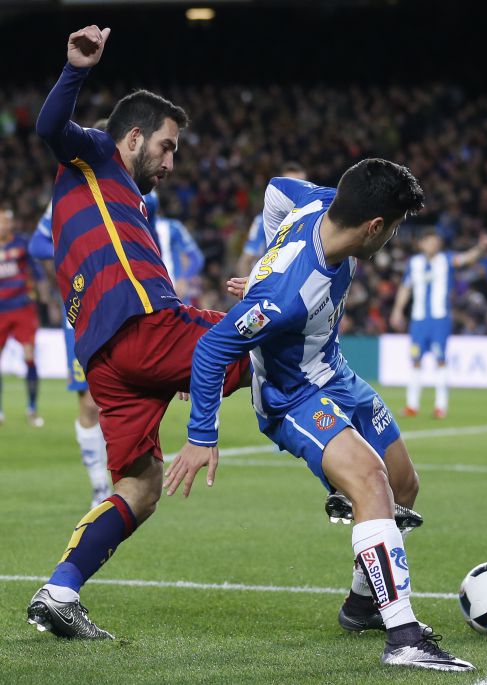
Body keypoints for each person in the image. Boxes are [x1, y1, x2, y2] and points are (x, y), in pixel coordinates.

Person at [164, 160, 474, 671]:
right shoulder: (286, 295)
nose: (392, 240)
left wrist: (267, 260)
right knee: (371, 480)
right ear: (374, 226)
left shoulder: (320, 200)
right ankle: (404, 638)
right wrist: (201, 435)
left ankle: (362, 606)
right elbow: (213, 348)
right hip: (292, 396)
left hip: (334, 373)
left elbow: (274, 188)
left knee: (404, 484)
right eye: (393, 229)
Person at [27, 24, 250, 640]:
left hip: (106, 359)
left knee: (141, 484)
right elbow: (49, 127)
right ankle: (360, 499)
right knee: (266, 336)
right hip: (143, 326)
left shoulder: (127, 198)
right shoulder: (97, 154)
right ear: (132, 137)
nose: (171, 163)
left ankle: (59, 591)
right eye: (167, 147)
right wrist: (76, 70)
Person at [29, 201, 111, 507]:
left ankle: (133, 481)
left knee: (124, 395)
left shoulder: (132, 191)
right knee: (89, 403)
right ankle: (100, 486)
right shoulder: (64, 198)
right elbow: (37, 244)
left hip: (121, 303)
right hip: (79, 311)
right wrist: (73, 255)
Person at [390, 227, 487, 418]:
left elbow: (467, 258)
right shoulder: (414, 263)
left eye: (436, 241)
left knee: (440, 359)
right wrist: (397, 310)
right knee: (415, 360)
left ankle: (440, 406)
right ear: (421, 244)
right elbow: (405, 288)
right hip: (419, 320)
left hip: (440, 320)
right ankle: (412, 405)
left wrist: (481, 247)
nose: (433, 244)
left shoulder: (446, 260)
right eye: (430, 241)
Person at [0, 206, 45, 428]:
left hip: (22, 308)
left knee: (29, 355)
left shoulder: (22, 244)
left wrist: (42, 295)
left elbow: (37, 273)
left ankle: (32, 409)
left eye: (4, 221)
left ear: (10, 224)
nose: (2, 226)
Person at [236, 162, 307, 277]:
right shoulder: (263, 221)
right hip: (272, 281)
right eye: (291, 186)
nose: (296, 192)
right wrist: (250, 288)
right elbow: (244, 262)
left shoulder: (316, 218)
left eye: (302, 186)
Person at [146, 191, 205, 303]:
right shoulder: (129, 228)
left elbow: (196, 257)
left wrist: (184, 280)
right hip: (147, 298)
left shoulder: (171, 227)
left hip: (174, 296)